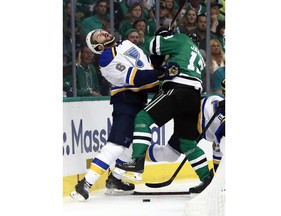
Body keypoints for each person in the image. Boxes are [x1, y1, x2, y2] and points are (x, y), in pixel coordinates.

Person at [70, 29, 180, 201]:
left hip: (140, 99)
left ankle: (115, 179)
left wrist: (160, 40)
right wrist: (163, 73)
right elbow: (136, 77)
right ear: (97, 46)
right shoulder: (106, 59)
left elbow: (148, 66)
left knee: (133, 145)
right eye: (98, 35)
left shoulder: (127, 44)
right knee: (117, 144)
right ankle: (84, 184)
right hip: (125, 100)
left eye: (102, 31)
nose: (103, 33)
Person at [115, 23, 214, 193]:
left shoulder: (180, 39)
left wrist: (159, 37)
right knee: (187, 143)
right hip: (194, 96)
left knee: (142, 119)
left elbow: (152, 45)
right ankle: (207, 178)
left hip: (179, 90)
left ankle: (137, 161)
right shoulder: (198, 56)